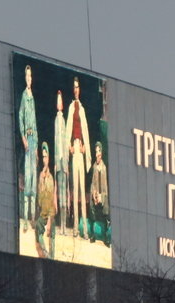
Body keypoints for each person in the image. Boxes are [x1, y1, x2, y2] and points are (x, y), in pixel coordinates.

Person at [66, 76, 91, 240]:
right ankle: (75, 228)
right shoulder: (70, 108)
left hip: (80, 149)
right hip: (73, 148)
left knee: (82, 189)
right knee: (75, 189)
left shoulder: (81, 108)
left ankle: (85, 230)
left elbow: (86, 131)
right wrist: (69, 145)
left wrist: (84, 148)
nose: (76, 89)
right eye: (74, 87)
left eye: (78, 87)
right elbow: (69, 127)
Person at [17, 64, 37, 229]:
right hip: (27, 140)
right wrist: (23, 137)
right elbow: (20, 116)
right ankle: (24, 219)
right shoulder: (24, 95)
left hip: (34, 141)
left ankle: (31, 218)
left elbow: (35, 123)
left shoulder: (33, 96)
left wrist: (36, 146)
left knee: (33, 181)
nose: (29, 79)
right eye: (27, 76)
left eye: (31, 76)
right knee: (27, 177)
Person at [34, 142, 56, 258]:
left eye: (46, 157)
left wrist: (49, 222)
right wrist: (41, 182)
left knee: (52, 233)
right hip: (43, 215)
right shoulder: (41, 177)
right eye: (43, 157)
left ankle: (52, 258)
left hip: (50, 216)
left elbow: (51, 202)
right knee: (38, 227)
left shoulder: (50, 178)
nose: (44, 159)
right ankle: (46, 255)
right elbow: (40, 200)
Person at [52, 90, 69, 234]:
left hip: (65, 164)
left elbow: (64, 141)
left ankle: (64, 225)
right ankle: (59, 224)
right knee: (59, 196)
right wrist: (56, 161)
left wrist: (66, 162)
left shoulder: (64, 120)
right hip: (59, 162)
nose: (59, 104)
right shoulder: (56, 121)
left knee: (65, 198)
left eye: (61, 101)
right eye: (58, 101)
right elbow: (56, 141)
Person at [88, 141, 109, 243]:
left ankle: (106, 237)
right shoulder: (94, 167)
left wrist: (102, 197)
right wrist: (94, 194)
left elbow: (105, 186)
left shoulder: (104, 168)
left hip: (103, 196)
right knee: (93, 212)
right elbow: (93, 183)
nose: (97, 154)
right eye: (96, 152)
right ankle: (93, 235)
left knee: (105, 214)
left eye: (99, 151)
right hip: (95, 195)